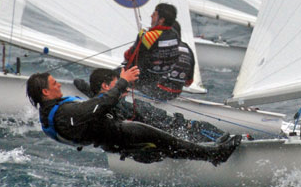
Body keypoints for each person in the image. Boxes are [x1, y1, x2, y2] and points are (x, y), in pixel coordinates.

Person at [26, 68, 239, 165]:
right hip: (121, 135)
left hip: (116, 143)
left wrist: (87, 85)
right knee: (169, 141)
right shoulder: (64, 114)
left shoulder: (52, 112)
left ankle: (207, 154)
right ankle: (214, 155)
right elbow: (100, 104)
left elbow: (92, 102)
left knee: (166, 146)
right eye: (55, 84)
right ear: (45, 92)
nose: (59, 84)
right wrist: (123, 81)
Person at [123, 2, 192, 100]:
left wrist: (142, 36)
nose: (151, 16)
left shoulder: (148, 36)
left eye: (154, 14)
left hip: (143, 82)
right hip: (159, 82)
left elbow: (128, 56)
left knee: (109, 77)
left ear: (161, 20)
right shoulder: (175, 35)